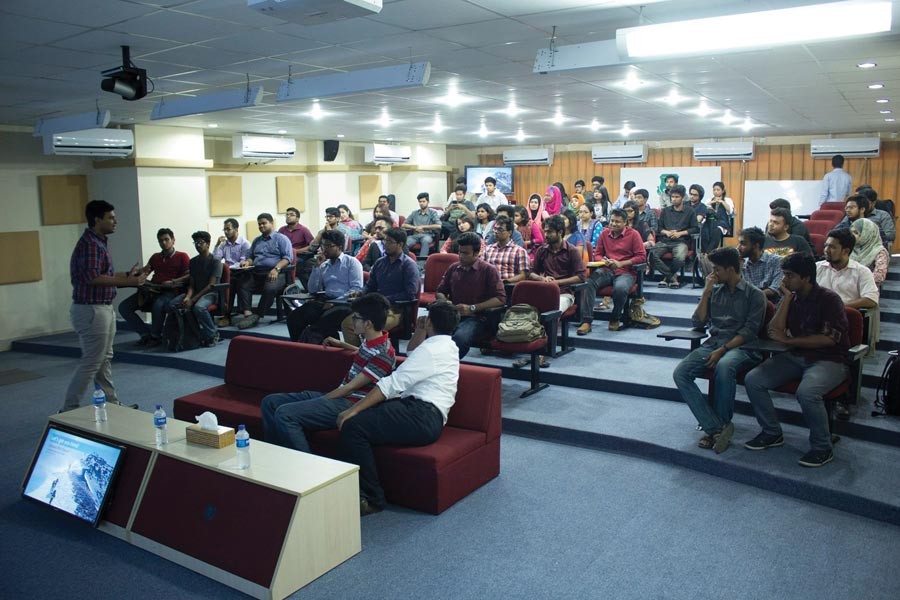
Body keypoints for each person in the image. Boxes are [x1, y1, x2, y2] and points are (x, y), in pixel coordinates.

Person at [336, 300, 461, 515]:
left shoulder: (432, 351)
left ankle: (372, 497)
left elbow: (392, 384)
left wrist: (352, 410)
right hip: (424, 414)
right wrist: (422, 330)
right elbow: (413, 351)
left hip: (420, 415)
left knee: (353, 426)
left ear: (430, 320)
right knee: (366, 420)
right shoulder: (447, 345)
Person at [743, 252, 850, 468]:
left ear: (806, 278)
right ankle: (772, 432)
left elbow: (829, 339)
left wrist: (792, 341)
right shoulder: (792, 297)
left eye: (789, 276)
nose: (784, 280)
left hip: (830, 360)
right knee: (753, 379)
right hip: (797, 355)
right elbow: (775, 330)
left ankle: (822, 447)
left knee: (807, 392)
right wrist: (787, 299)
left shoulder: (829, 299)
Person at [261, 293, 396, 453]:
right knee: (270, 402)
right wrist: (342, 344)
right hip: (341, 396)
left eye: (355, 318)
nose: (352, 321)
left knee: (285, 414)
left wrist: (321, 400)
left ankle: (307, 468)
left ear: (367, 324)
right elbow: (366, 354)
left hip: (351, 403)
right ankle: (277, 454)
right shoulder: (373, 340)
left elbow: (350, 388)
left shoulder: (384, 353)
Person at [673, 247, 765, 453]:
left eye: (717, 269)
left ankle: (718, 426)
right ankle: (716, 428)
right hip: (713, 344)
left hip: (743, 347)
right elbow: (697, 321)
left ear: (731, 269)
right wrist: (706, 291)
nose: (713, 274)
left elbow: (750, 331)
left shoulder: (755, 295)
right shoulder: (714, 290)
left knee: (724, 365)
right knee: (680, 373)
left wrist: (723, 350)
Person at [64, 200, 147, 412]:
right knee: (92, 361)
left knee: (103, 359)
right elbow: (92, 278)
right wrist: (128, 282)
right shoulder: (91, 244)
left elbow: (103, 275)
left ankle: (111, 404)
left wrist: (128, 275)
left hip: (101, 307)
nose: (115, 221)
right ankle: (69, 409)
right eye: (110, 217)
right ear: (97, 219)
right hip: (92, 309)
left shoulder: (98, 242)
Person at [817, 227, 879, 417]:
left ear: (846, 250)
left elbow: (871, 299)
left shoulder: (861, 272)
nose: (826, 250)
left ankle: (841, 397)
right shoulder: (818, 267)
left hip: (845, 322)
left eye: (832, 247)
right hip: (816, 320)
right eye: (826, 246)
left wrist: (840, 306)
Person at [340, 227, 419, 346]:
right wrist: (360, 292)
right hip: (375, 307)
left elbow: (410, 293)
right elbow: (370, 285)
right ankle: (358, 356)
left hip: (395, 310)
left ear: (400, 244)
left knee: (367, 324)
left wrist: (386, 299)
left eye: (389, 242)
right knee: (348, 324)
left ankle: (370, 355)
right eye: (384, 241)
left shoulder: (408, 265)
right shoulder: (380, 263)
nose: (385, 245)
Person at [436, 232, 506, 358]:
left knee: (459, 338)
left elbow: (500, 299)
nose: (461, 256)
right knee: (429, 333)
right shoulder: (454, 268)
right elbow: (440, 291)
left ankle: (447, 367)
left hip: (478, 318)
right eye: (459, 252)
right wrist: (446, 303)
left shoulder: (488, 270)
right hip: (454, 314)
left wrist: (472, 308)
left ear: (476, 253)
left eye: (465, 253)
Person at [287, 229, 364, 342]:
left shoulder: (352, 263)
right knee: (294, 318)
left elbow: (356, 289)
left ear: (339, 247)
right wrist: (316, 268)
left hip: (345, 303)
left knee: (322, 322)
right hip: (325, 301)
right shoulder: (323, 266)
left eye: (328, 245)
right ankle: (299, 347)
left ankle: (326, 347)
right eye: (323, 245)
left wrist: (335, 302)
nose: (324, 249)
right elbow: (312, 290)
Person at [118, 227, 190, 346]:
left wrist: (173, 281)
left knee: (158, 304)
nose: (164, 243)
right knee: (124, 307)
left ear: (173, 240)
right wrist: (138, 273)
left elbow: (188, 275)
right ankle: (145, 334)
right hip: (152, 289)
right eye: (161, 240)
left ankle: (156, 337)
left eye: (166, 239)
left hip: (171, 291)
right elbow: (146, 272)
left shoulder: (182, 256)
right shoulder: (155, 257)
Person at [579, 208, 646, 334]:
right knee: (590, 283)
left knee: (620, 288)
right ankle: (587, 321)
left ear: (625, 223)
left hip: (626, 271)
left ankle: (615, 317)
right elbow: (597, 254)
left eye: (617, 222)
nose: (613, 224)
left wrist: (621, 263)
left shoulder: (634, 234)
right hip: (607, 269)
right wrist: (604, 260)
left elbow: (641, 256)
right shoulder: (605, 234)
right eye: (612, 221)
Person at [233, 213, 293, 330]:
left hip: (277, 272)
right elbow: (250, 256)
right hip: (257, 272)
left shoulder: (281, 239)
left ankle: (258, 315)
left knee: (270, 288)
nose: (261, 226)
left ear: (272, 223)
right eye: (259, 224)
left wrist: (276, 269)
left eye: (264, 223)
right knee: (242, 284)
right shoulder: (257, 240)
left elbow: (287, 258)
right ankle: (248, 314)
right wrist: (248, 262)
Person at [171, 231, 223, 347]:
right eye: (195, 242)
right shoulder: (193, 261)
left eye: (200, 242)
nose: (197, 245)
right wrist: (188, 297)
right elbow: (192, 284)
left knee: (198, 307)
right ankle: (196, 334)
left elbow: (211, 285)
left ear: (208, 244)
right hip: (195, 293)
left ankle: (213, 334)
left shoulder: (215, 261)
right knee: (174, 304)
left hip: (210, 294)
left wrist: (192, 300)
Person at [530, 214, 586, 318]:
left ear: (560, 232)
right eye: (545, 231)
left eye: (549, 232)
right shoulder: (542, 250)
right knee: (528, 310)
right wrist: (541, 278)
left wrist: (557, 282)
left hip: (565, 293)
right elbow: (531, 273)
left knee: (552, 309)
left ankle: (550, 334)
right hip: (545, 290)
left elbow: (581, 277)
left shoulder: (572, 251)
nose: (546, 235)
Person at [650, 184, 696, 288]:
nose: (674, 199)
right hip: (665, 240)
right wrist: (666, 232)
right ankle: (672, 277)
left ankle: (666, 278)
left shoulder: (690, 211)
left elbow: (695, 228)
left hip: (681, 241)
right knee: (651, 254)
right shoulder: (665, 211)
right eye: (672, 197)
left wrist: (680, 233)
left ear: (683, 197)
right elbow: (659, 228)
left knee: (679, 257)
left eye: (677, 197)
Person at [739, 226, 783, 301]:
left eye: (743, 244)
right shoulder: (742, 264)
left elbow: (776, 289)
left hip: (771, 304)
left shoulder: (776, 261)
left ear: (756, 246)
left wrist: (754, 296)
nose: (738, 247)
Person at [483, 216, 529, 283]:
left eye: (500, 230)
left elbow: (523, 275)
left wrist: (504, 281)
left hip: (509, 286)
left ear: (509, 232)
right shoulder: (488, 249)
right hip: (489, 285)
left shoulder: (519, 251)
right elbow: (482, 270)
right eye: (495, 229)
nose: (496, 232)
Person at [850, 218, 890, 287]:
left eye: (856, 233)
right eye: (851, 233)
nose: (852, 236)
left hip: (868, 290)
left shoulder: (879, 251)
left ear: (867, 233)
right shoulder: (850, 248)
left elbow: (879, 277)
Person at [403, 192, 441, 258]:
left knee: (425, 241)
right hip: (415, 235)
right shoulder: (414, 213)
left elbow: (438, 225)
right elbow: (403, 225)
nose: (421, 203)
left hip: (427, 235)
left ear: (428, 202)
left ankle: (421, 265)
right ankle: (405, 261)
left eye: (423, 201)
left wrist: (423, 227)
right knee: (404, 243)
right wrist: (415, 228)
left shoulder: (433, 213)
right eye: (420, 202)